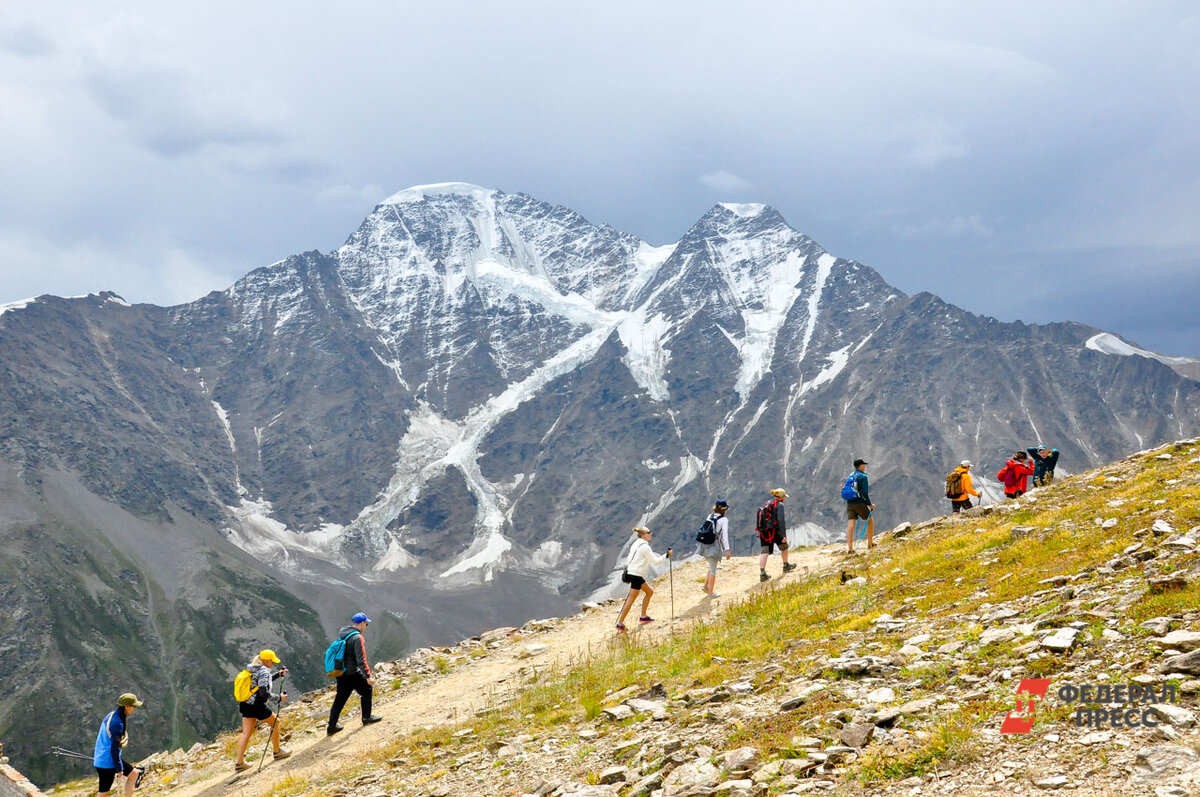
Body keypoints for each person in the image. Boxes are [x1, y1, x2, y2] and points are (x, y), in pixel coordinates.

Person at [234, 650, 290, 771]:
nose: (273, 663)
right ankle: (277, 751)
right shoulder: (264, 671)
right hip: (257, 706)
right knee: (276, 722)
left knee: (246, 733)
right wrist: (278, 698)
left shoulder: (253, 668)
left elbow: (258, 684)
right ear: (266, 661)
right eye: (272, 661)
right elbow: (263, 692)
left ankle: (239, 763)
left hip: (246, 704)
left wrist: (277, 674)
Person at [327, 613, 383, 734]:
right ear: (362, 623)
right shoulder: (358, 638)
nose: (366, 626)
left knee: (340, 699)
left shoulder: (344, 634)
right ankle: (366, 717)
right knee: (367, 690)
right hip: (352, 672)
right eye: (366, 624)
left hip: (341, 672)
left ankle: (331, 727)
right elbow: (361, 660)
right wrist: (368, 676)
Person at [615, 527, 671, 631]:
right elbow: (655, 562)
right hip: (636, 574)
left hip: (632, 572)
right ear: (643, 535)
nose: (651, 534)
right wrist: (667, 555)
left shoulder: (636, 543)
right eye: (648, 532)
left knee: (649, 592)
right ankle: (620, 623)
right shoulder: (645, 547)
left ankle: (643, 616)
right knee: (631, 599)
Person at [93, 693, 144, 797]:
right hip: (107, 762)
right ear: (126, 706)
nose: (134, 708)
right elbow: (114, 749)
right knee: (103, 793)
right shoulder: (117, 724)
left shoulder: (112, 715)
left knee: (134, 774)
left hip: (103, 757)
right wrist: (119, 768)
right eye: (133, 706)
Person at [757, 489, 796, 581]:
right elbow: (781, 521)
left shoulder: (767, 503)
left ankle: (762, 573)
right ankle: (786, 565)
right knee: (784, 547)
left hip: (764, 532)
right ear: (782, 496)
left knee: (764, 552)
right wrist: (783, 535)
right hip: (775, 531)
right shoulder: (780, 505)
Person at [695, 499, 732, 598]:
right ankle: (710, 593)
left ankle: (706, 586)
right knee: (713, 570)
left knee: (711, 566)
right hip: (714, 546)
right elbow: (725, 536)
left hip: (704, 545)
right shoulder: (724, 520)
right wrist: (727, 550)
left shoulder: (710, 516)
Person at [844, 459, 876, 554]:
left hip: (850, 503)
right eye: (864, 465)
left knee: (851, 525)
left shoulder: (850, 475)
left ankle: (850, 549)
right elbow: (864, 493)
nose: (865, 466)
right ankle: (870, 544)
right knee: (869, 520)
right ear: (860, 466)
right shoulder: (863, 477)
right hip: (859, 503)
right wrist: (869, 504)